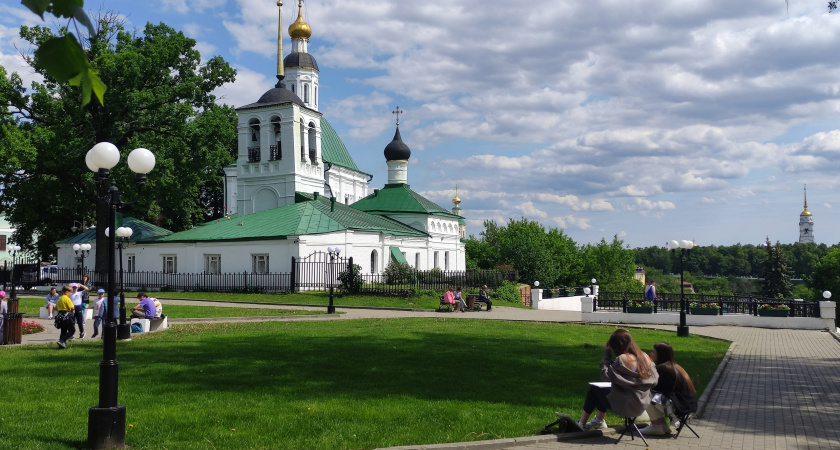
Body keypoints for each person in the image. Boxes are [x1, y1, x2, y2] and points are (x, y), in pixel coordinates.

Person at [575, 329, 658, 430]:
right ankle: (599, 421)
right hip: (642, 404)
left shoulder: (623, 359)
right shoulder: (645, 357)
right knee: (603, 391)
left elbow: (606, 376)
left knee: (594, 390)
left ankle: (582, 423)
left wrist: (606, 355)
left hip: (625, 405)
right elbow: (655, 380)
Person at [643, 342, 698, 435]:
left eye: (653, 352)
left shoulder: (662, 369)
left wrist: (647, 367)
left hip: (678, 408)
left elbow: (653, 386)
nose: (650, 354)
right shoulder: (676, 367)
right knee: (654, 396)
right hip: (688, 406)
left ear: (660, 354)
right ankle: (663, 426)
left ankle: (656, 426)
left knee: (645, 395)